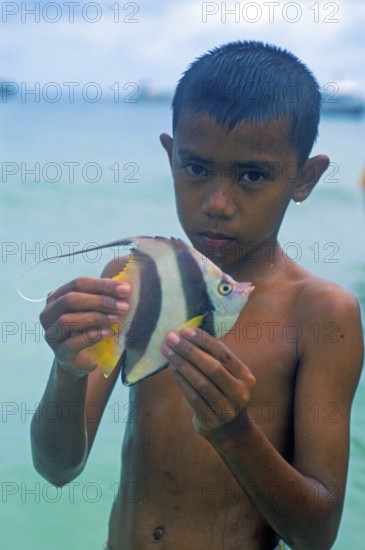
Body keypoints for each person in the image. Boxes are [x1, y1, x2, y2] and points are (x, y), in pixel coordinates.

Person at [31, 41, 363, 549]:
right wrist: (68, 370)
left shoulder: (321, 314)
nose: (217, 204)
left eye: (252, 175)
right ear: (171, 157)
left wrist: (233, 430)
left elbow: (316, 534)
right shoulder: (135, 276)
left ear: (304, 178)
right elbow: (58, 468)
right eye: (196, 168)